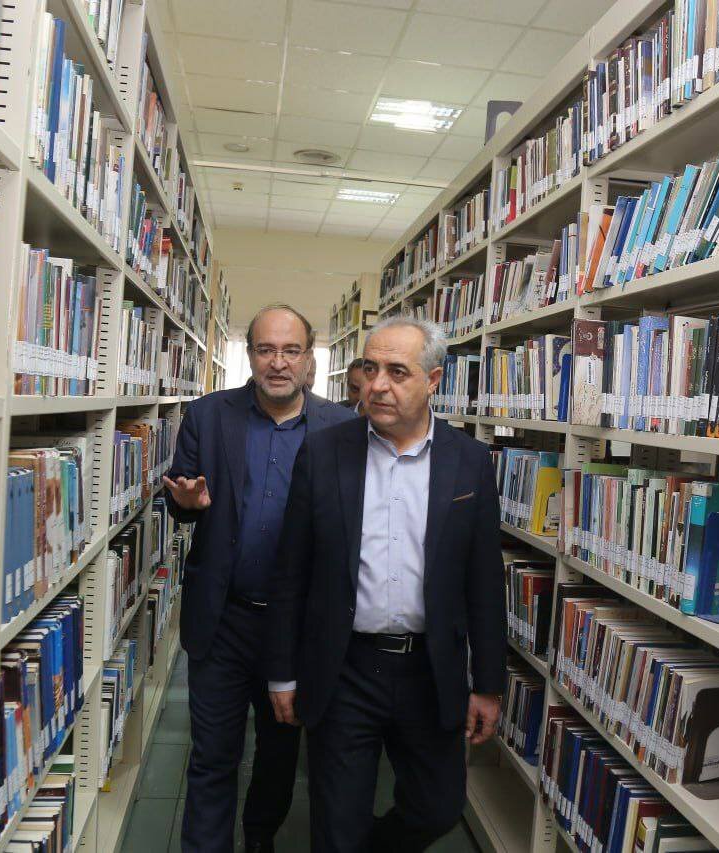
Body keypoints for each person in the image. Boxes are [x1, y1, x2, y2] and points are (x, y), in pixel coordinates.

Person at [265, 315, 505, 852]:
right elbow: (291, 570)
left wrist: (488, 683)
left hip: (430, 670)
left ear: (433, 380)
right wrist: (281, 673)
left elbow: (485, 581)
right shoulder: (324, 452)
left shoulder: (468, 461)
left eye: (398, 372)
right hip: (346, 667)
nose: (377, 385)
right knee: (336, 822)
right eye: (370, 369)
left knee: (437, 807)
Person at [162, 304, 355, 853]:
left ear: (310, 358)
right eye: (266, 349)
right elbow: (180, 496)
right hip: (223, 619)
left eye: (291, 350)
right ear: (249, 355)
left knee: (279, 752)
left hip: (297, 631)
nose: (278, 362)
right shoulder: (207, 416)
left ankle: (259, 838)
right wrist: (187, 504)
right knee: (212, 755)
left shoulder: (343, 428)